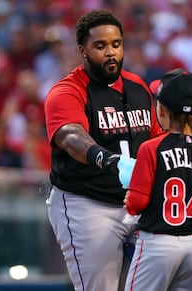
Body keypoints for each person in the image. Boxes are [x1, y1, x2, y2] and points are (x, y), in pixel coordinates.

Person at [43, 9, 162, 291]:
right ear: (83, 50)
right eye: (101, 46)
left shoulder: (137, 87)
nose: (110, 52)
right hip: (86, 204)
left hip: (135, 204)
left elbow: (157, 138)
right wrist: (109, 161)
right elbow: (71, 137)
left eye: (116, 44)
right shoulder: (67, 91)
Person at [123, 69, 192, 291]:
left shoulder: (151, 147)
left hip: (158, 244)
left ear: (162, 110)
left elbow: (137, 204)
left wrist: (130, 199)